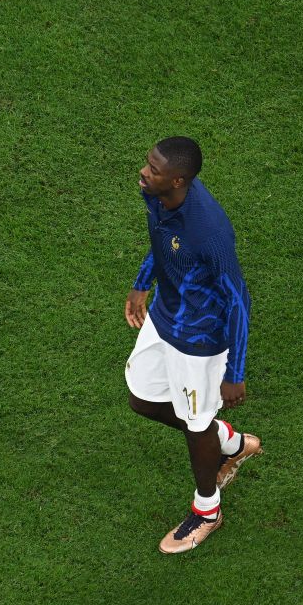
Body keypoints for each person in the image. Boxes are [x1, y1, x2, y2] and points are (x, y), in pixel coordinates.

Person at [124, 137, 261, 554]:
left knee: (195, 422)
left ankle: (207, 511)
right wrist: (141, 282)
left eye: (153, 169)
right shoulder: (161, 196)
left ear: (178, 179)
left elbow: (239, 300)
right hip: (166, 315)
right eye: (148, 164)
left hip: (200, 340)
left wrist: (234, 374)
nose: (144, 172)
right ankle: (232, 443)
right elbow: (163, 243)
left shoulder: (208, 232)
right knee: (142, 398)